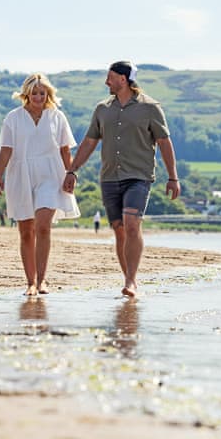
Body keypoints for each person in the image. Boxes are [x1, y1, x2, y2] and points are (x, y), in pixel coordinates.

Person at [63, 60, 180, 298]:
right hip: (109, 177)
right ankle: (130, 278)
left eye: (110, 77)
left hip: (139, 175)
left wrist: (173, 177)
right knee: (119, 229)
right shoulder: (102, 109)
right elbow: (89, 142)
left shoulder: (150, 108)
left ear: (123, 79)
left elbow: (165, 143)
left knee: (131, 222)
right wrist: (72, 170)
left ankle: (130, 281)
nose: (106, 82)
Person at [0, 73, 80, 296]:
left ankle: (42, 281)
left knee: (43, 226)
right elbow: (6, 149)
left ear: (48, 94)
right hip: (20, 174)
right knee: (25, 232)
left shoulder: (57, 117)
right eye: (34, 92)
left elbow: (65, 149)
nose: (39, 96)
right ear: (27, 94)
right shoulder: (13, 118)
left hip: (51, 175)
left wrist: (71, 173)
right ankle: (30, 282)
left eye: (43, 92)